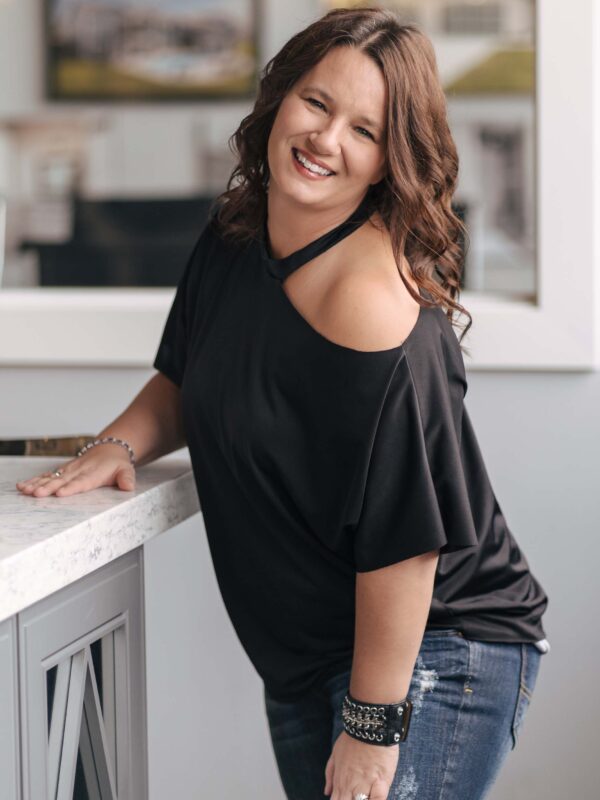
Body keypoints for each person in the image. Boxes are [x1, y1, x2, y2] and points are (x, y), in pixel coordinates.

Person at [16, 7, 550, 800]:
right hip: (306, 660)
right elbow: (185, 378)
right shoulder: (235, 235)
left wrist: (373, 725)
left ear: (386, 162)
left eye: (365, 131)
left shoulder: (370, 305)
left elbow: (405, 547)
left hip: (432, 653)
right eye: (316, 103)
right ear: (278, 99)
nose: (326, 140)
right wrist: (119, 444)